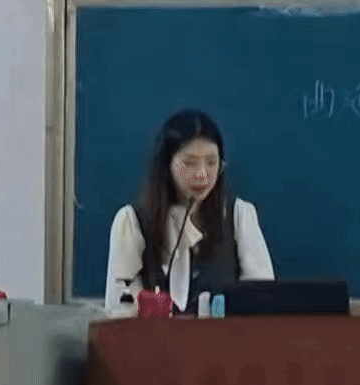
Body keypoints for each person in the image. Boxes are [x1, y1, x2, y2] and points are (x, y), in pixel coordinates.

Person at [105, 109, 273, 316]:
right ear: (166, 164)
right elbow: (120, 311)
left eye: (212, 162)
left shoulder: (238, 217)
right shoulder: (132, 222)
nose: (202, 174)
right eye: (189, 163)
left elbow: (262, 301)